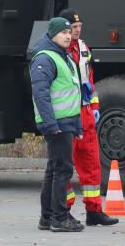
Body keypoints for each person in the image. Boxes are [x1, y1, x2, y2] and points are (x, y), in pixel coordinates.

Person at [59, 8, 119, 227]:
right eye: (73, 28)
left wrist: (94, 107)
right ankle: (63, 211)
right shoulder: (56, 51)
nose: (76, 31)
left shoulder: (83, 48)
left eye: (79, 27)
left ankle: (94, 210)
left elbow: (89, 80)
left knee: (92, 162)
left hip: (84, 113)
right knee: (64, 165)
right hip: (67, 113)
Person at [30, 17, 84, 233]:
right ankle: (59, 218)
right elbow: (41, 95)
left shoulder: (65, 57)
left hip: (66, 122)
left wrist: (77, 124)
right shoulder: (45, 58)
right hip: (57, 124)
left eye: (69, 32)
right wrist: (52, 124)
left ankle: (48, 216)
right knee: (63, 169)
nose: (68, 36)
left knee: (54, 169)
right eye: (63, 33)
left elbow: (73, 93)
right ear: (52, 35)